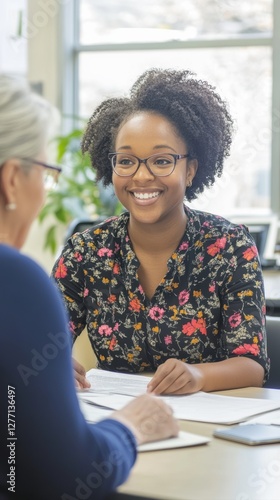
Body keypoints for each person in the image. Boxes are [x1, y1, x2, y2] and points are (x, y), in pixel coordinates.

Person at [0, 74, 178, 500]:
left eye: (162, 160)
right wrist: (132, 425)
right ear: (11, 180)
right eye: (45, 174)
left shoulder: (226, 242)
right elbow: (65, 474)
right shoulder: (16, 280)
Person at [52, 68, 269, 396]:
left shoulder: (230, 246)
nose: (140, 176)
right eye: (126, 161)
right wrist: (52, 364)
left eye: (162, 160)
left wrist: (198, 375)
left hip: (209, 422)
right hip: (117, 420)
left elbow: (252, 365)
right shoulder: (86, 251)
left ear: (191, 170)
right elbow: (41, 340)